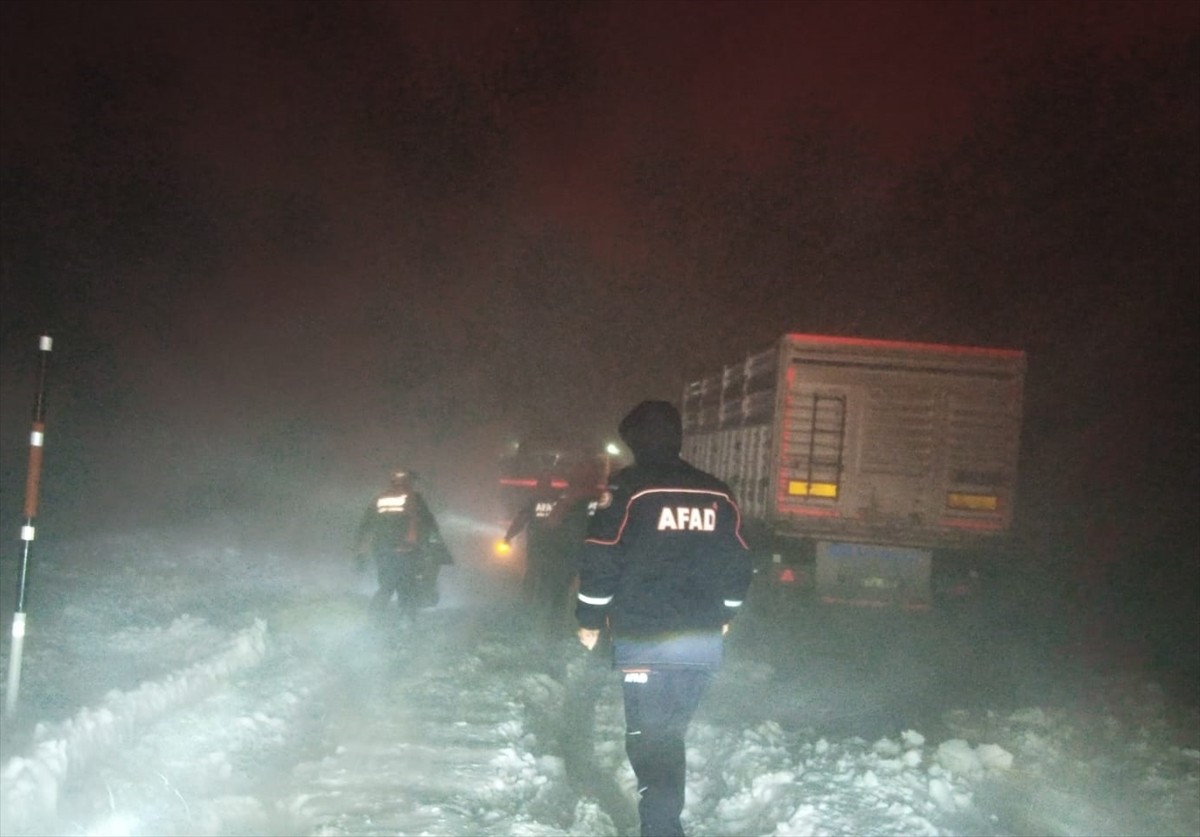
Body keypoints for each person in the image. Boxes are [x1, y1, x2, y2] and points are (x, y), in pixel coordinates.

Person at [575, 400, 752, 837]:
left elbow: (602, 556)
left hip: (645, 637)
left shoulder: (628, 488)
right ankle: (663, 824)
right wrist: (727, 612)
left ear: (635, 441)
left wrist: (589, 617)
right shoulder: (717, 492)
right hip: (701, 640)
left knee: (649, 741)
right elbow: (738, 560)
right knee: (668, 737)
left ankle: (660, 829)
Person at [505, 458, 603, 634]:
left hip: (569, 549)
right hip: (571, 549)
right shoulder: (578, 498)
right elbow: (545, 521)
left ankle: (552, 622)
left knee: (556, 587)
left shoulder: (570, 498)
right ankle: (548, 620)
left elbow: (551, 522)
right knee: (552, 584)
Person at [354, 469, 452, 620]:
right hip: (406, 548)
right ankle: (407, 619)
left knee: (387, 584)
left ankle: (374, 617)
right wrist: (436, 543)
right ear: (409, 482)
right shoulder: (413, 498)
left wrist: (361, 551)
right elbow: (428, 522)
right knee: (406, 584)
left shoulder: (379, 499)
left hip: (382, 549)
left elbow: (365, 525)